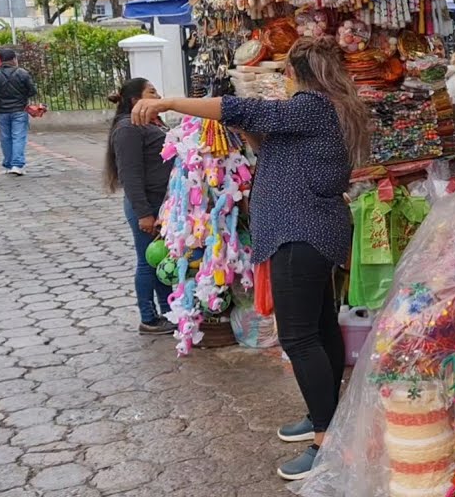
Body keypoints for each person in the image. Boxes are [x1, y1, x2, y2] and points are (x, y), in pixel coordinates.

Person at [130, 36, 370, 480]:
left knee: (299, 339)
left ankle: (327, 440)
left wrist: (171, 103)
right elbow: (270, 143)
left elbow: (244, 109)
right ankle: (328, 416)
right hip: (308, 231)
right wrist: (248, 132)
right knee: (318, 328)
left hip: (302, 234)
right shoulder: (323, 109)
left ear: (295, 74)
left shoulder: (310, 106)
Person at [104, 78, 175, 336]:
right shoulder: (128, 128)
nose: (158, 96)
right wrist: (144, 213)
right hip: (147, 205)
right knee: (148, 262)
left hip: (161, 203)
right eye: (152, 92)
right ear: (136, 101)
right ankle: (149, 318)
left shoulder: (151, 123)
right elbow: (130, 175)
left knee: (161, 259)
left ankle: (169, 312)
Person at [0, 49, 36, 176]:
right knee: (18, 137)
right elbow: (32, 91)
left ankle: (8, 164)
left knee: (5, 138)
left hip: (1, 111)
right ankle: (17, 164)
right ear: (14, 59)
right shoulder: (22, 73)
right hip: (19, 110)